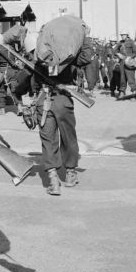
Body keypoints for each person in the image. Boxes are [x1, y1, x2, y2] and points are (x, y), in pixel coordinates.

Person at [32, 27, 93, 195]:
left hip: (44, 101)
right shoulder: (69, 57)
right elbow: (86, 58)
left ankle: (53, 180)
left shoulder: (39, 57)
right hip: (64, 100)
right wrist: (86, 38)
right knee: (69, 138)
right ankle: (71, 174)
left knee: (48, 140)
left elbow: (28, 81)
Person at [115, 30, 136, 99]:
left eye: (123, 35)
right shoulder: (120, 43)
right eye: (121, 35)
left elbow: (135, 52)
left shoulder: (131, 42)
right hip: (122, 62)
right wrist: (118, 54)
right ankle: (122, 92)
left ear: (127, 35)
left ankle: (134, 92)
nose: (122, 36)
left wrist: (130, 57)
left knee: (131, 77)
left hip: (129, 62)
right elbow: (115, 50)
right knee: (122, 77)